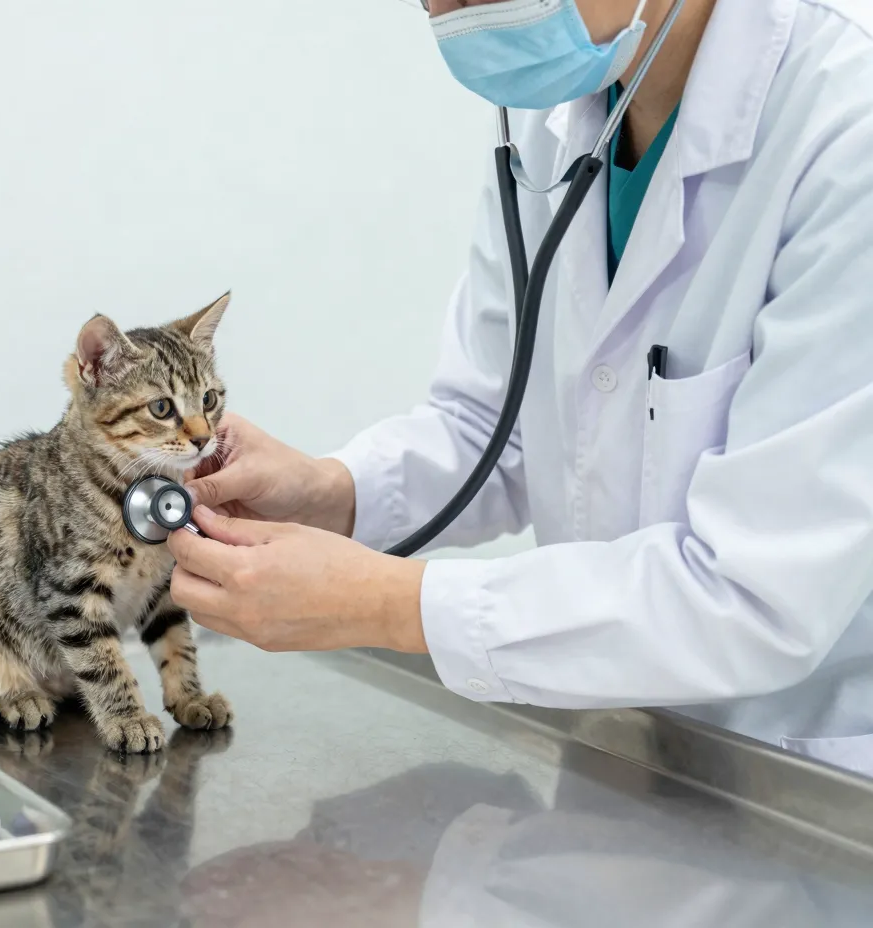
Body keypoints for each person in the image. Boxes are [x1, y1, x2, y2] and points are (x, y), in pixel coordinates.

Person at [166, 0, 873, 775]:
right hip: (624, 761)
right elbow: (496, 424)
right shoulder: (560, 120)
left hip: (812, 792)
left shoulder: (847, 117)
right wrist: (331, 492)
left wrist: (391, 604)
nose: (448, 10)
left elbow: (758, 594)